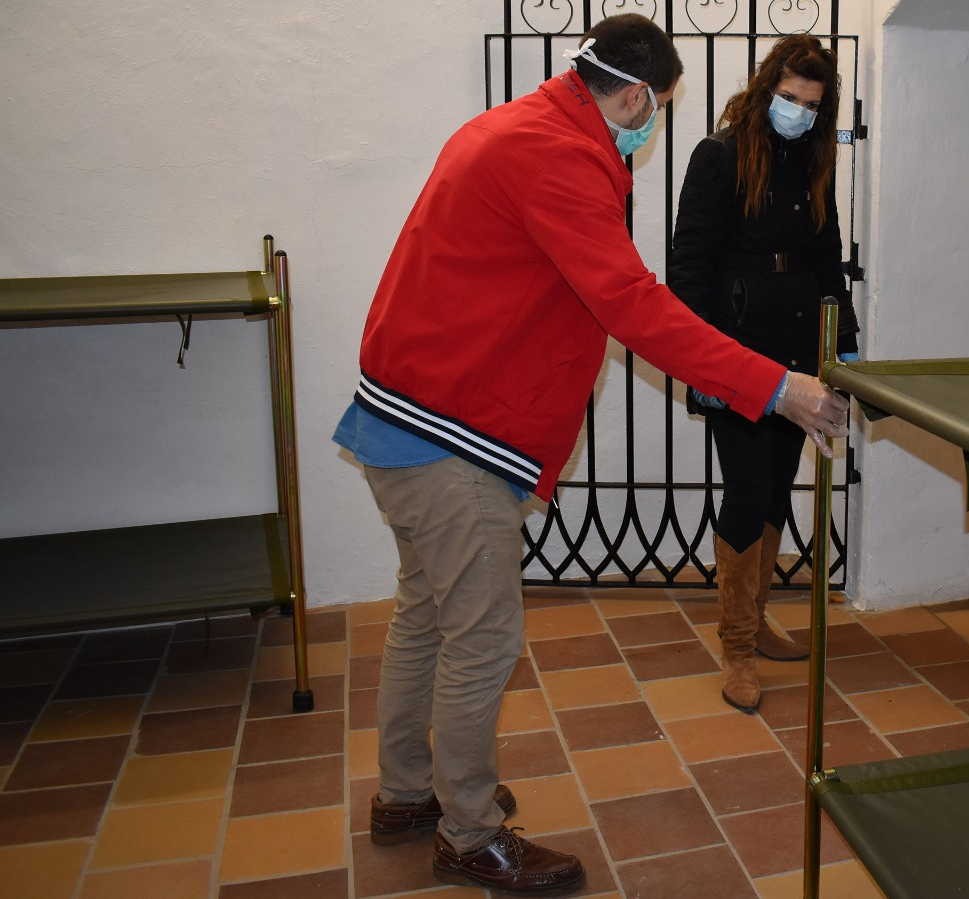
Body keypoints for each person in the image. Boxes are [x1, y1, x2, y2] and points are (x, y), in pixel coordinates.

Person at [332, 14, 848, 895]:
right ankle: (467, 833)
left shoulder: (518, 126)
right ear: (637, 95)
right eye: (660, 108)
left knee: (426, 614)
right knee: (483, 637)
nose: (654, 126)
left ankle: (408, 793)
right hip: (451, 432)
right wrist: (776, 387)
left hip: (409, 414)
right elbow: (633, 304)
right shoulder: (558, 156)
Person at [668, 35, 862, 714]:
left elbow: (829, 260)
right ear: (764, 89)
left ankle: (755, 618)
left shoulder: (813, 161)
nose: (797, 112)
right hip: (736, 352)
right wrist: (699, 359)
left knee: (778, 486)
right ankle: (737, 648)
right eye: (787, 98)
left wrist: (846, 348)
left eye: (810, 104)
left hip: (800, 349)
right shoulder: (719, 156)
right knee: (748, 490)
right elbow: (689, 264)